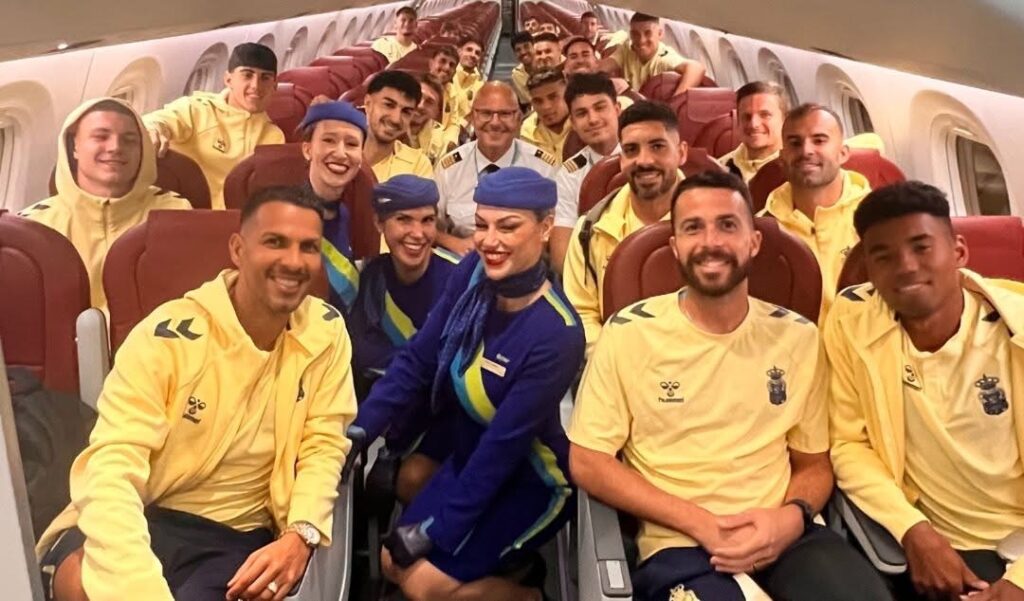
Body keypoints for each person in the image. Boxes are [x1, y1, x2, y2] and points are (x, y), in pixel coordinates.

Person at [569, 171, 892, 601]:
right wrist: (700, 522)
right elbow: (589, 461)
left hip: (785, 535)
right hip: (681, 543)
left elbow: (813, 463)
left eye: (727, 225)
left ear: (753, 241)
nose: (711, 242)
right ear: (675, 246)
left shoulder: (798, 337)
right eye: (693, 228)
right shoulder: (628, 334)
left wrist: (791, 517)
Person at [36, 186, 357, 601]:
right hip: (144, 509)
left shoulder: (325, 333)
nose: (294, 262)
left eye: (308, 247)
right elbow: (113, 464)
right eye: (275, 242)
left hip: (235, 533)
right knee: (79, 584)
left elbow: (323, 445)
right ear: (238, 250)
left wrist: (302, 532)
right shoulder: (166, 337)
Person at [349, 167, 584, 601]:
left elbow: (502, 450)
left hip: (531, 475)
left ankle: (529, 596)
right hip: (470, 453)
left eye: (507, 227)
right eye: (481, 225)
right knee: (390, 562)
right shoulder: (475, 272)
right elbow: (419, 358)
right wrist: (360, 431)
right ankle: (514, 571)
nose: (489, 241)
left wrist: (435, 531)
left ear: (546, 226)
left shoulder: (557, 333)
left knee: (422, 586)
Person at [827, 182, 1024, 601]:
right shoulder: (850, 323)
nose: (905, 267)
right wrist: (913, 530)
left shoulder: (1016, 331)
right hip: (938, 542)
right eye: (883, 256)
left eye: (921, 247)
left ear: (958, 251)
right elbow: (848, 442)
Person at [19, 97, 191, 310]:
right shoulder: (34, 227)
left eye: (129, 140)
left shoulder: (176, 213)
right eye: (101, 137)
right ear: (74, 147)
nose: (115, 147)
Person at [562, 100, 686, 355]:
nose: (644, 160)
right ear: (621, 161)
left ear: (681, 153)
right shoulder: (590, 230)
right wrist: (618, 362)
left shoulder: (714, 226)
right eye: (631, 150)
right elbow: (582, 313)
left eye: (657, 146)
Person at [759, 103, 870, 319]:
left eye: (819, 140)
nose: (806, 151)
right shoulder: (762, 232)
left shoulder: (879, 222)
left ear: (843, 153)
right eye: (795, 143)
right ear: (781, 158)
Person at [144, 42, 283, 210]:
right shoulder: (197, 109)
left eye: (265, 78)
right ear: (228, 80)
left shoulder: (274, 136)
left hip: (237, 219)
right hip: (183, 214)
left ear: (275, 86)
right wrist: (152, 130)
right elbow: (160, 121)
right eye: (247, 75)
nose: (256, 86)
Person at [434, 82, 559, 256]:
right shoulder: (450, 168)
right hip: (465, 263)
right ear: (473, 117)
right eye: (486, 113)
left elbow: (557, 231)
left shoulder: (543, 168)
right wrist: (455, 243)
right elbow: (430, 226)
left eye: (505, 114)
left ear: (518, 118)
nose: (495, 122)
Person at [297, 101, 367, 313]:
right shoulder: (286, 215)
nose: (341, 153)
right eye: (329, 140)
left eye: (352, 144)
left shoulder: (347, 214)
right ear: (307, 149)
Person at [551, 73, 622, 273]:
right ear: (573, 123)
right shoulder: (569, 175)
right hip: (591, 270)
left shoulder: (646, 157)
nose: (593, 119)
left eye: (600, 108)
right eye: (582, 113)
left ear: (617, 109)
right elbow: (561, 254)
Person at [599, 13, 705, 96]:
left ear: (660, 34)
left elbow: (697, 68)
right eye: (635, 34)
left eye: (647, 33)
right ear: (630, 34)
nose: (641, 40)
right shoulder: (626, 50)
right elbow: (601, 67)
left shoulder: (663, 57)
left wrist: (676, 101)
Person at [363, 70, 434, 182]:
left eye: (406, 112)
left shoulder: (418, 165)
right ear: (368, 103)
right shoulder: (340, 148)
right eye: (389, 105)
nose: (395, 119)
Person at [719, 81, 787, 182]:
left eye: (765, 115)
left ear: (785, 120)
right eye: (747, 116)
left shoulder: (796, 170)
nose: (753, 124)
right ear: (738, 122)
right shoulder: (720, 169)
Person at [407, 73, 461, 165]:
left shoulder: (442, 142)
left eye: (429, 102)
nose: (420, 105)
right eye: (418, 97)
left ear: (437, 112)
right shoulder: (389, 127)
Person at [519, 69, 571, 159]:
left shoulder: (585, 124)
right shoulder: (526, 132)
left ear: (568, 94)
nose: (546, 107)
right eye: (538, 101)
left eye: (553, 97)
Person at [427, 46, 469, 131]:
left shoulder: (452, 92)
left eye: (451, 65)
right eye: (442, 61)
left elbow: (453, 124)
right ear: (431, 64)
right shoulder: (417, 89)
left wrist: (450, 140)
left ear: (454, 72)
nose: (447, 68)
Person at [452, 37, 486, 107]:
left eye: (477, 53)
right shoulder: (446, 77)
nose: (473, 55)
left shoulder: (481, 87)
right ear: (459, 51)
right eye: (469, 50)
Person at [509, 32, 535, 107]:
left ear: (534, 46)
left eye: (526, 47)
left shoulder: (547, 64)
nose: (523, 52)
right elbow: (528, 100)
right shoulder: (516, 74)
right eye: (518, 50)